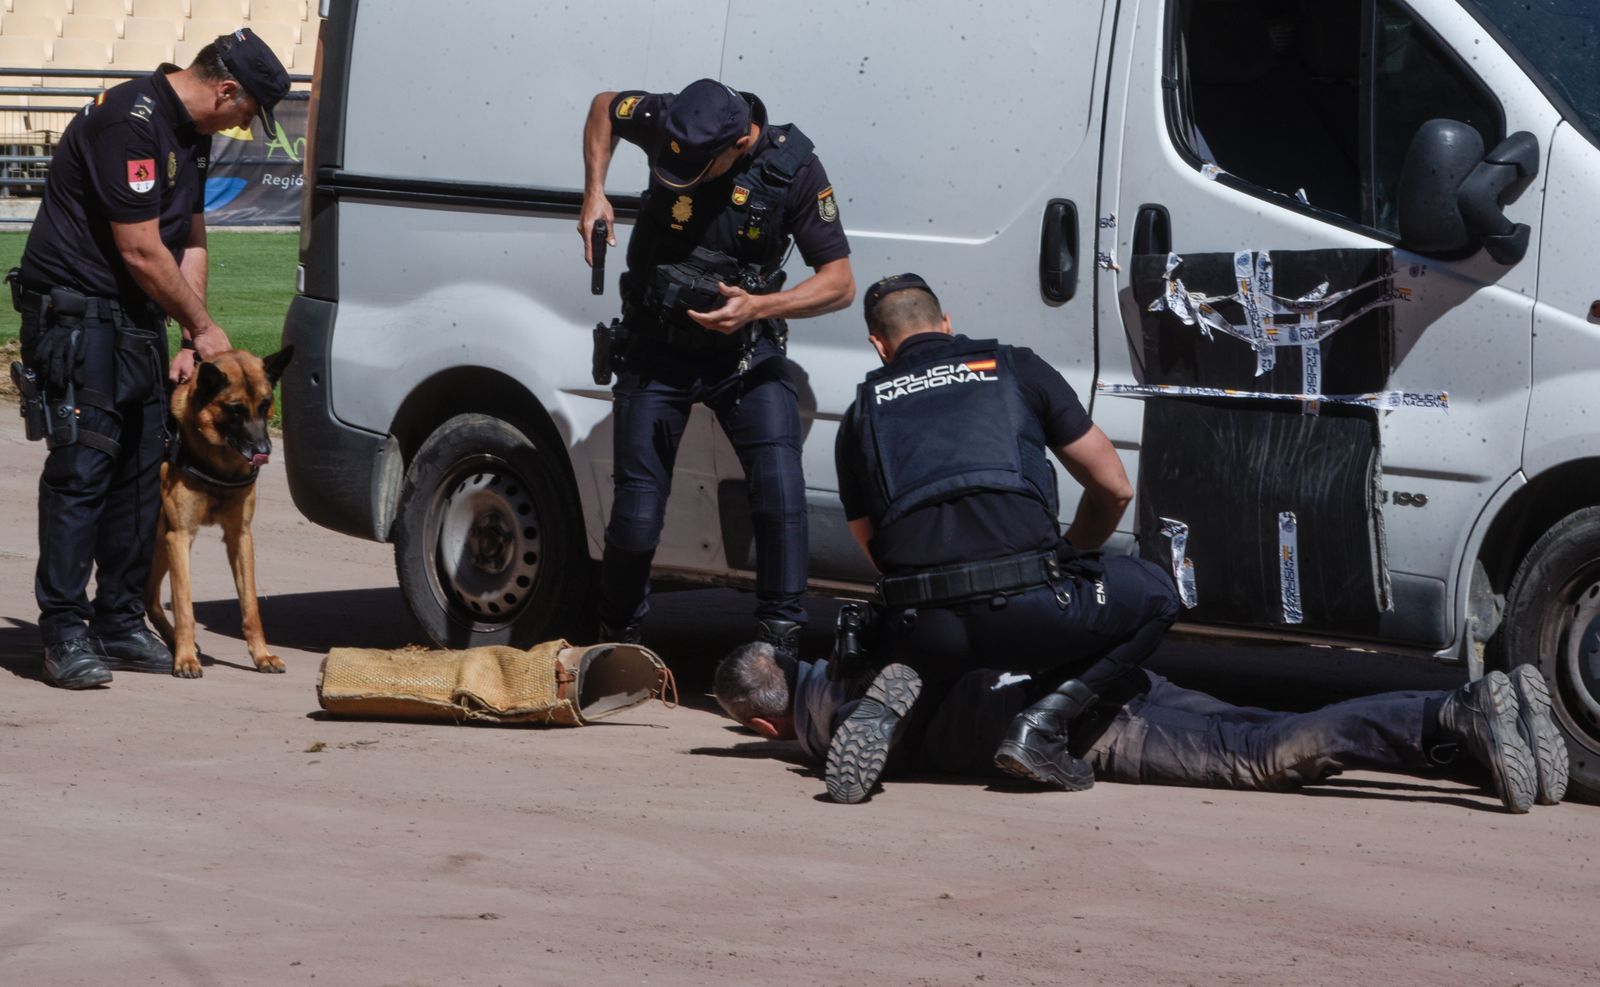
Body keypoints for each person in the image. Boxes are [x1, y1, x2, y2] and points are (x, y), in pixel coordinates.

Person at [826, 273, 1179, 803]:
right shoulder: (1016, 367)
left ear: (879, 345)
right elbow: (1114, 488)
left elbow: (876, 554)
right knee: (1154, 590)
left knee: (938, 645)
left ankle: (900, 720)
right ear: (946, 324)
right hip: (1031, 609)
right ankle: (1041, 725)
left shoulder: (860, 416)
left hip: (924, 629)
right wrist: (1070, 558)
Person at [14, 30, 290, 689]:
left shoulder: (190, 131)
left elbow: (188, 238)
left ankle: (118, 620)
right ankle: (63, 630)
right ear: (227, 89)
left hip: (135, 321)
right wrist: (199, 322)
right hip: (78, 318)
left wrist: (194, 336)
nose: (246, 125)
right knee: (83, 469)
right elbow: (139, 248)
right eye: (248, 111)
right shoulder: (129, 121)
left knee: (142, 471)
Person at [578, 79, 854, 660]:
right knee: (635, 517)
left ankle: (776, 653)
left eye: (701, 168)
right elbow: (604, 105)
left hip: (743, 351)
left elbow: (840, 284)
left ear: (737, 145)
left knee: (780, 491)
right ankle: (617, 642)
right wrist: (594, 192)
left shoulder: (792, 167)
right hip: (656, 344)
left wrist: (759, 307)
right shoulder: (670, 118)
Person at [712, 642, 1570, 813]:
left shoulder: (830, 719)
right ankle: (1484, 736)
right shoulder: (859, 640)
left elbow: (865, 740)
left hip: (1083, 731)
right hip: (1091, 673)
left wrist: (833, 767)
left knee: (1266, 755)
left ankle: (1451, 714)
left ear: (764, 717)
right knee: (1279, 722)